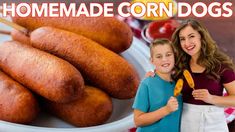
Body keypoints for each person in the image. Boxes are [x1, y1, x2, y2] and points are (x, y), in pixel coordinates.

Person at [147, 19, 235, 132]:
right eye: (182, 39)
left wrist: (212, 98)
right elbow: (162, 85)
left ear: (201, 37)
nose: (187, 43)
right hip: (185, 124)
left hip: (214, 125)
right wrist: (152, 78)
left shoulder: (220, 66)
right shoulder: (178, 65)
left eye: (191, 36)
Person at [132, 38, 183, 132]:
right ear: (152, 61)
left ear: (174, 57)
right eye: (159, 56)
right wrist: (166, 110)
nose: (164, 59)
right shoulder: (147, 84)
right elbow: (138, 120)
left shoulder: (178, 85)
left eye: (168, 55)